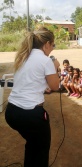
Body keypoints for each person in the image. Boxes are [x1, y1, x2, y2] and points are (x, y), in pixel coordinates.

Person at [5, 27, 60, 167]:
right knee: (41, 151)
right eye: (53, 45)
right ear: (47, 44)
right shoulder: (45, 60)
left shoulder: (23, 56)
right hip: (31, 114)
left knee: (32, 145)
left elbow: (30, 81)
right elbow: (55, 86)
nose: (52, 48)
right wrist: (55, 67)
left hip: (12, 112)